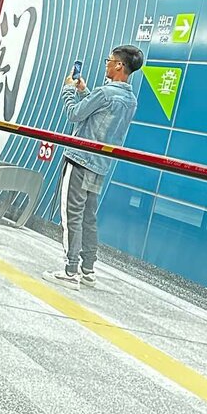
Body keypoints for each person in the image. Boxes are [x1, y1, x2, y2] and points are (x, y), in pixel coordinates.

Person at [44, 45, 143, 291]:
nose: (107, 64)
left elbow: (75, 115)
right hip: (99, 165)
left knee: (71, 216)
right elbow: (102, 114)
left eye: (109, 60)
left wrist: (69, 90)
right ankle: (88, 270)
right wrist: (85, 91)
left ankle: (69, 271)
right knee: (89, 218)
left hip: (79, 160)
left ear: (120, 65)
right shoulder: (130, 99)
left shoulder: (105, 92)